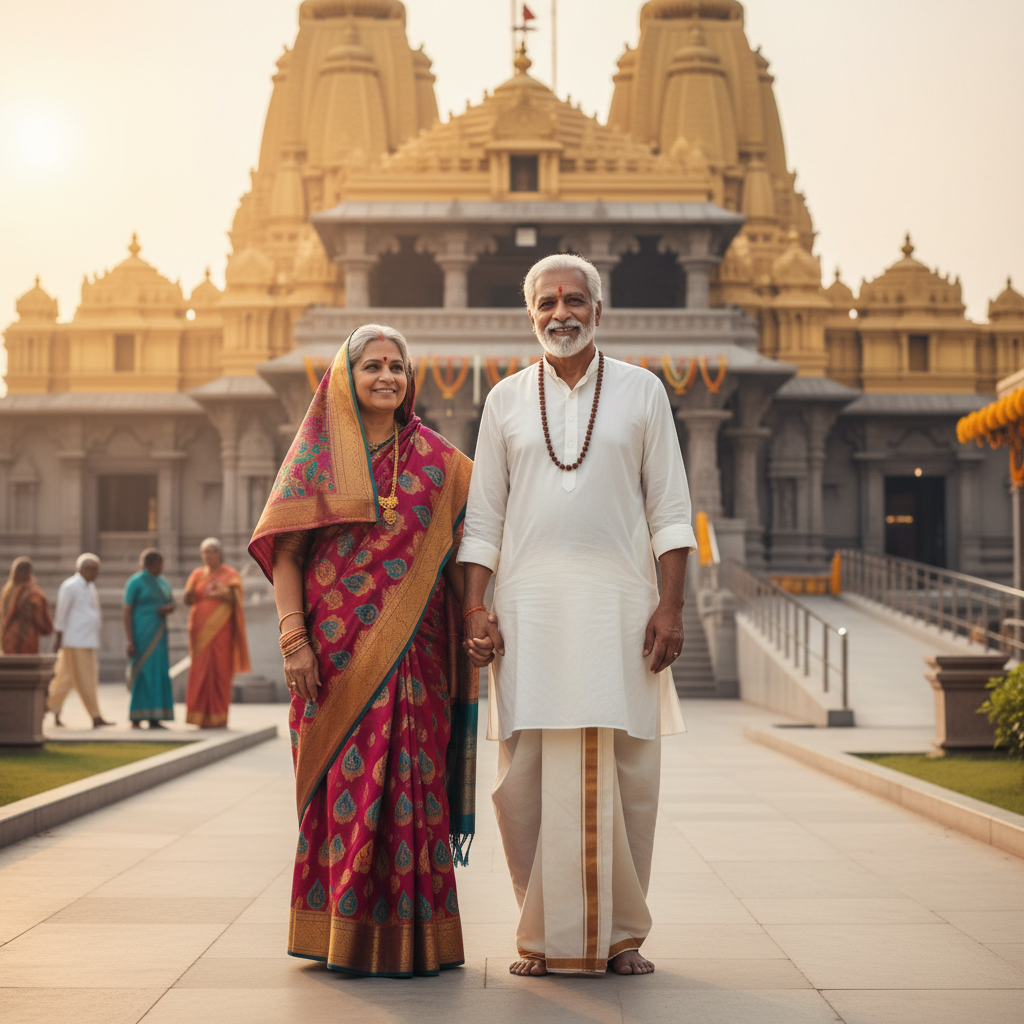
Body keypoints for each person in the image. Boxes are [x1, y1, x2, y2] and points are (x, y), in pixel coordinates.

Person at [458, 253, 694, 977]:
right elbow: (484, 518)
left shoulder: (642, 391)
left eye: (573, 300)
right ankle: (544, 932)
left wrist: (671, 603)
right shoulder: (502, 400)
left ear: (599, 310)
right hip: (526, 611)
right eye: (545, 303)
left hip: (622, 608)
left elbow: (671, 508)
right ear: (530, 316)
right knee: (524, 774)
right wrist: (475, 605)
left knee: (627, 771)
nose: (559, 313)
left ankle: (620, 936)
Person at [249, 323, 476, 978]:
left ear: (411, 381)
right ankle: (336, 933)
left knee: (414, 783)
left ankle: (417, 939)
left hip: (419, 659)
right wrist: (293, 640)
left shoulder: (444, 463)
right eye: (372, 364)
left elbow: (460, 563)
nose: (386, 375)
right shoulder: (316, 457)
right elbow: (287, 554)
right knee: (340, 786)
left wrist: (478, 621)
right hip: (328, 656)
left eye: (397, 366)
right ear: (345, 377)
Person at [182, 537, 250, 728]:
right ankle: (199, 717)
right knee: (200, 671)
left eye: (212, 551)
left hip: (222, 631)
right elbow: (188, 600)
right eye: (205, 552)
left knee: (221, 671)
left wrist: (225, 594)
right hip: (199, 630)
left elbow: (237, 599)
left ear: (220, 553)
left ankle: (219, 717)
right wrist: (187, 595)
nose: (208, 555)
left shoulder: (230, 574)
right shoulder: (196, 574)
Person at [46, 553, 114, 728]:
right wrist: (58, 639)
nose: (96, 574)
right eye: (93, 570)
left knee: (65, 679)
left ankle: (49, 707)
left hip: (87, 640)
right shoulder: (70, 586)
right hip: (75, 641)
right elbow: (62, 613)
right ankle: (95, 716)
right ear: (83, 569)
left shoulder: (89, 587)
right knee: (87, 680)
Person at [124, 548, 175, 729]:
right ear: (150, 565)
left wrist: (168, 608)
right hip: (141, 633)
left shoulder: (162, 582)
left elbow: (171, 601)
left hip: (159, 634)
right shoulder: (136, 582)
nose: (162, 567)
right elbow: (127, 610)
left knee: (158, 672)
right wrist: (130, 640)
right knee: (142, 673)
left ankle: (155, 716)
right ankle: (136, 717)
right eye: (159, 563)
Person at [0, 556, 54, 654]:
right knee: (27, 665)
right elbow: (41, 618)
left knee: (10, 666)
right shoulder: (33, 592)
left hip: (9, 636)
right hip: (28, 636)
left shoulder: (8, 591)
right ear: (30, 572)